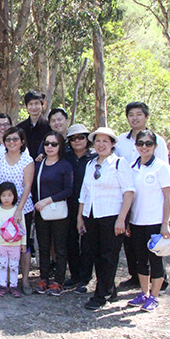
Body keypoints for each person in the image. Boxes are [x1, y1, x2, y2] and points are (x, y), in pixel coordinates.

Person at [77, 127, 135, 311]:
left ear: (112, 144)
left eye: (105, 141)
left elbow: (128, 192)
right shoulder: (90, 164)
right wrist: (80, 217)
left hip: (111, 216)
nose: (101, 145)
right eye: (98, 141)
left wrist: (121, 219)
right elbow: (84, 193)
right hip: (92, 215)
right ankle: (109, 288)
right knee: (93, 253)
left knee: (108, 256)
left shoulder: (119, 164)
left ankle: (101, 295)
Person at [115, 101, 170, 291]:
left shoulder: (158, 141)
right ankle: (136, 276)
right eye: (131, 114)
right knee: (131, 242)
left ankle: (160, 281)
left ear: (146, 117)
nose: (135, 118)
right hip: (129, 196)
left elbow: (163, 175)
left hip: (151, 200)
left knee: (155, 246)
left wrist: (166, 218)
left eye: (139, 114)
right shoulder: (121, 140)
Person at [126, 130, 170, 312]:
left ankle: (154, 296)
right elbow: (130, 196)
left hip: (155, 222)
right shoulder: (132, 167)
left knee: (156, 260)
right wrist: (128, 221)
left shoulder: (162, 167)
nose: (144, 147)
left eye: (148, 144)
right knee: (140, 260)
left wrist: (165, 223)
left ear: (155, 146)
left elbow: (168, 197)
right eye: (140, 143)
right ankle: (144, 293)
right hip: (137, 221)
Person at [0, 127, 35, 294]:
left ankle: (25, 280)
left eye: (15, 139)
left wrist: (19, 210)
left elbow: (27, 186)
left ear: (22, 141)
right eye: (8, 139)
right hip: (2, 209)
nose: (11, 143)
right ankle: (6, 281)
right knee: (3, 241)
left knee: (22, 243)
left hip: (23, 209)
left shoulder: (27, 160)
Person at [32, 130, 73, 296]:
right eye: (46, 143)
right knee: (43, 246)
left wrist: (48, 200)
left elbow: (68, 190)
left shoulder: (65, 165)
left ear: (60, 146)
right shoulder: (39, 165)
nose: (50, 147)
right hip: (41, 212)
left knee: (60, 247)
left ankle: (59, 281)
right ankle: (43, 278)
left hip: (58, 212)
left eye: (54, 144)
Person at [63, 124, 97, 293]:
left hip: (89, 206)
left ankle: (85, 278)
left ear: (87, 139)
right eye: (73, 138)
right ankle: (74, 275)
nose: (77, 141)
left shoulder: (95, 157)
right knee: (71, 242)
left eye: (81, 137)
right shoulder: (65, 156)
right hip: (68, 204)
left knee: (88, 242)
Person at [0, 182, 27, 298]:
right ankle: (3, 285)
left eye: (9, 195)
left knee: (14, 265)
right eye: (3, 195)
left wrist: (23, 243)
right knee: (2, 264)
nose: (6, 198)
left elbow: (23, 227)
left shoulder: (18, 210)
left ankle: (13, 285)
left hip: (15, 244)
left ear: (14, 196)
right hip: (2, 243)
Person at [17, 90, 51, 160]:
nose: (34, 107)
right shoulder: (20, 128)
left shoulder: (49, 127)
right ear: (26, 106)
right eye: (30, 104)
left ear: (42, 105)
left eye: (36, 103)